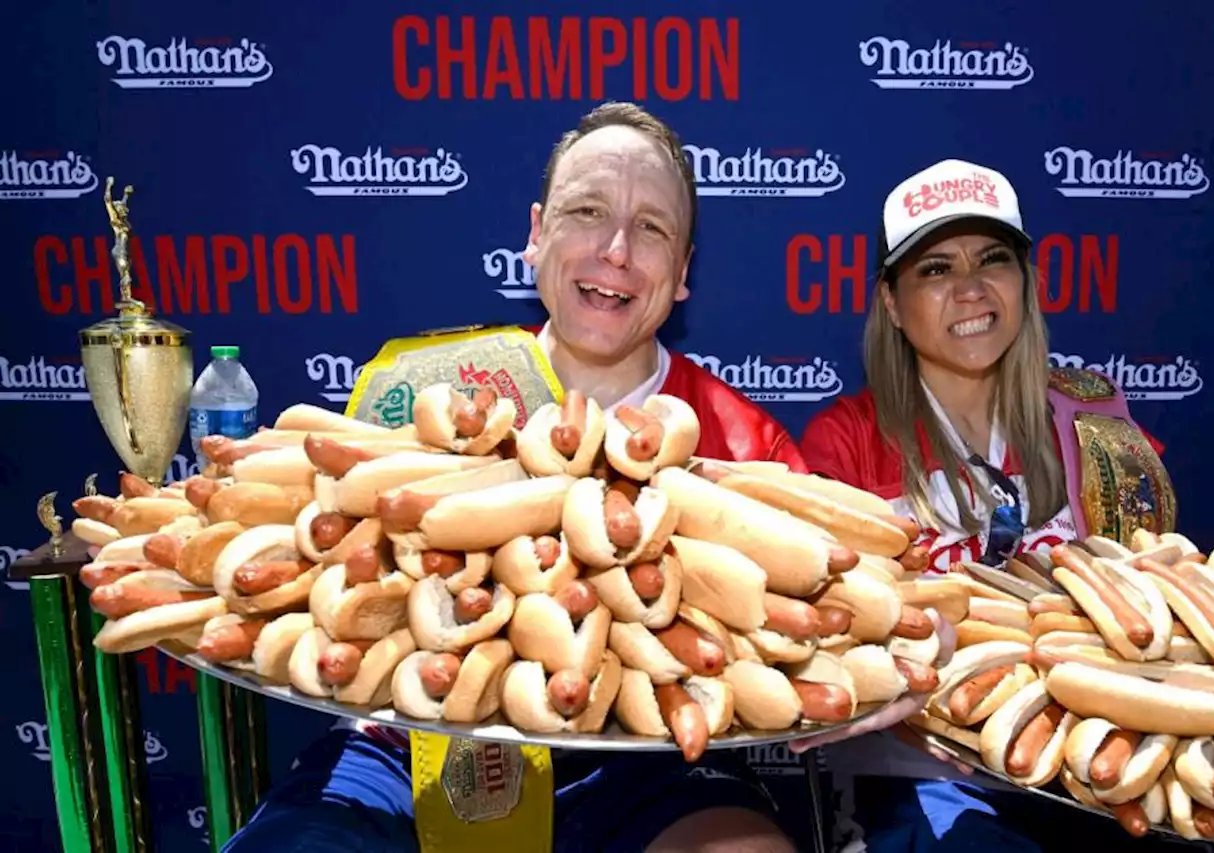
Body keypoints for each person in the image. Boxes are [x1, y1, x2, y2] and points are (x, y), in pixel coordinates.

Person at [222, 101, 951, 853]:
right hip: (403, 745)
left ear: (682, 274)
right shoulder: (421, 391)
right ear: (537, 235)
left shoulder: (744, 443)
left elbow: (858, 597)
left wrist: (908, 651)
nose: (616, 249)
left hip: (653, 761)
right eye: (588, 210)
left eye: (652, 228)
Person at [797, 159, 1179, 851]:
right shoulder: (846, 439)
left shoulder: (1096, 421)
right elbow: (833, 635)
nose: (970, 289)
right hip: (917, 770)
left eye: (992, 259)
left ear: (1025, 280)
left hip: (1094, 761)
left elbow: (1156, 607)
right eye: (935, 269)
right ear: (891, 300)